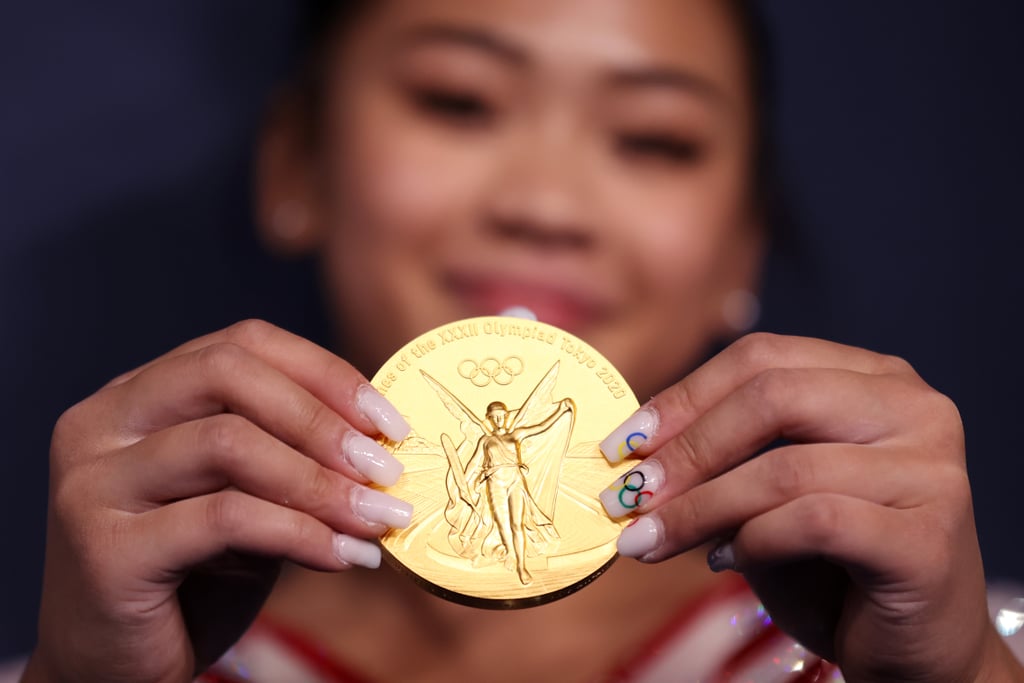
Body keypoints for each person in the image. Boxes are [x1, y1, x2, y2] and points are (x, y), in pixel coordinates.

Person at [15, 0, 1024, 681]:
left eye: (653, 140)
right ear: (297, 166)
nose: (548, 204)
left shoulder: (940, 640)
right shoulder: (119, 652)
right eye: (456, 101)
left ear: (739, 247)